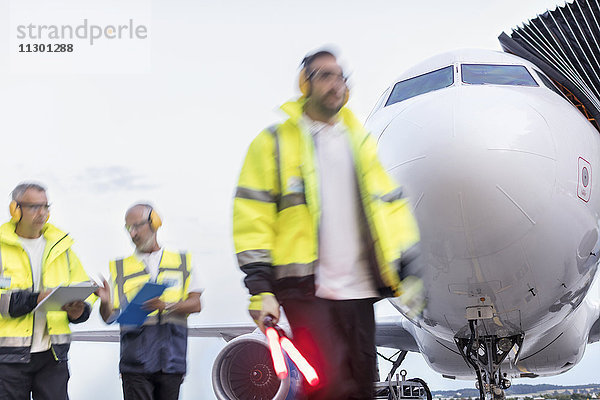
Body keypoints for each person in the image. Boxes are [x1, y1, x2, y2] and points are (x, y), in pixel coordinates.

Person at [232, 49, 423, 400]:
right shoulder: (273, 144)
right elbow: (252, 219)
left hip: (361, 288)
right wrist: (260, 288)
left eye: (340, 77)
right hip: (306, 287)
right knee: (328, 386)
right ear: (304, 84)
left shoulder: (360, 142)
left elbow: (388, 207)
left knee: (360, 389)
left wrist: (405, 260)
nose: (336, 84)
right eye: (325, 76)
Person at [96, 203, 202, 400]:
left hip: (171, 360)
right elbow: (109, 317)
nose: (133, 233)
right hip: (135, 363)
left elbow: (196, 304)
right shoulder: (119, 268)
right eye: (129, 228)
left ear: (155, 223)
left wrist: (167, 306)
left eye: (137, 226)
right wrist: (104, 302)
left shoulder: (182, 262)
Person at [0, 182, 92, 400]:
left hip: (53, 356)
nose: (42, 213)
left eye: (45, 207)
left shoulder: (63, 247)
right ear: (15, 209)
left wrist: (79, 311)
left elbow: (81, 291)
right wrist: (36, 298)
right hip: (8, 359)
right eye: (34, 207)